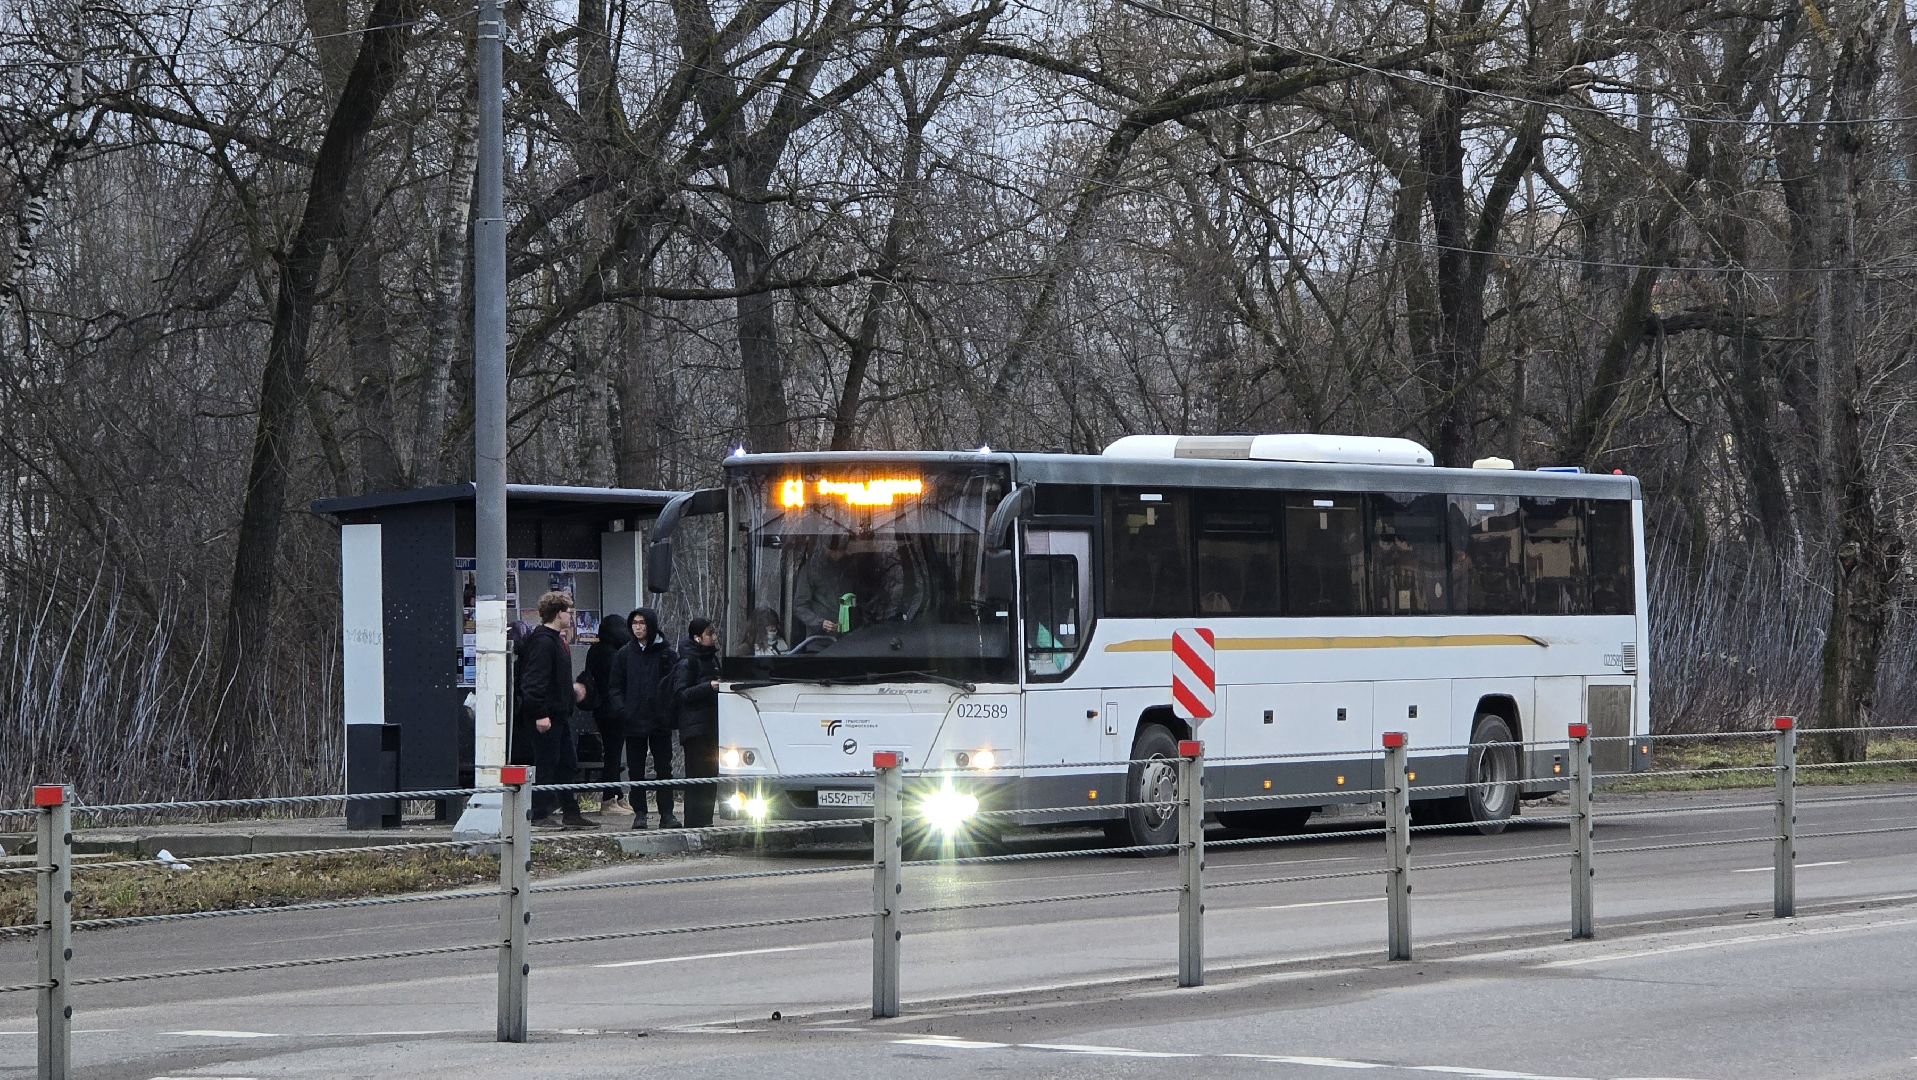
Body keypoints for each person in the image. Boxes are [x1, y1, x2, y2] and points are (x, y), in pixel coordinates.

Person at [511, 590, 599, 830]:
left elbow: (549, 680)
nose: (570, 616)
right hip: (547, 716)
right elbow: (533, 682)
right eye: (568, 612)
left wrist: (570, 691)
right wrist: (540, 713)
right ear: (558, 613)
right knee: (547, 763)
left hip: (559, 714)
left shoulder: (554, 641)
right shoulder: (543, 642)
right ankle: (539, 812)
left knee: (566, 763)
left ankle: (570, 811)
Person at [608, 607, 679, 829]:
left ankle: (666, 812)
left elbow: (674, 684)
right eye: (634, 623)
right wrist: (623, 710)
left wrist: (668, 711)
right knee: (636, 768)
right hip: (633, 720)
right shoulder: (624, 654)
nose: (638, 627)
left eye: (642, 623)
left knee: (663, 768)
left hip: (659, 720)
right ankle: (640, 812)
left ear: (651, 625)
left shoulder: (666, 653)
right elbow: (615, 687)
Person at [578, 612, 635, 813]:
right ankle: (609, 798)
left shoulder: (595, 650)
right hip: (614, 711)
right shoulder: (613, 654)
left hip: (601, 710)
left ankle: (617, 795)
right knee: (613, 754)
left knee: (612, 753)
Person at [671, 617, 723, 828]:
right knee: (696, 777)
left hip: (711, 726)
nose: (714, 637)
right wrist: (708, 687)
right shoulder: (687, 661)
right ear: (697, 637)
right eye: (710, 634)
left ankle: (706, 820)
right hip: (694, 729)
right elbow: (681, 694)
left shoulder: (712, 659)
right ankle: (693, 822)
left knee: (710, 776)